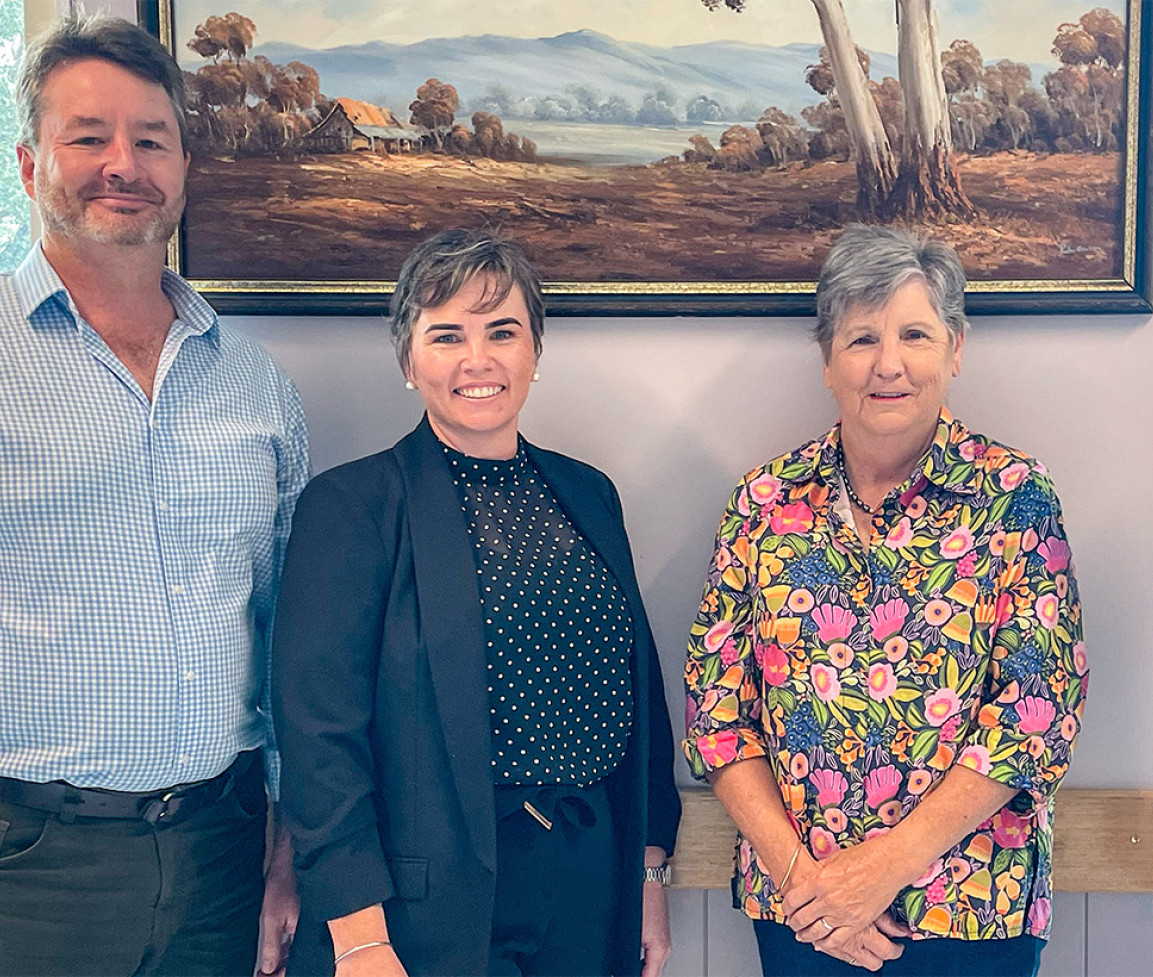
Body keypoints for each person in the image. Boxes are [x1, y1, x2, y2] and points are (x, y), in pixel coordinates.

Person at [272, 228, 681, 976]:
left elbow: (640, 695)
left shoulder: (589, 493)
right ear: (407, 357)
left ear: (535, 350)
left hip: (591, 876)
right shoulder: (352, 507)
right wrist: (359, 934)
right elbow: (319, 739)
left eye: (502, 331)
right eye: (446, 334)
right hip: (428, 901)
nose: (478, 359)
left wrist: (649, 873)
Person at [684, 224, 1087, 976]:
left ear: (956, 349)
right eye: (863, 337)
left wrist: (880, 872)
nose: (889, 364)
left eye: (915, 334)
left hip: (972, 911)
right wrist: (812, 885)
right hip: (804, 915)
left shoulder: (1013, 496)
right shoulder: (763, 502)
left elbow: (1038, 713)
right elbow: (716, 714)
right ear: (828, 359)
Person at [0, 15, 307, 977]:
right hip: (31, 863)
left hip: (224, 850)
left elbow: (285, 627)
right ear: (28, 164)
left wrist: (288, 838)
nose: (121, 164)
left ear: (182, 169)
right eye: (87, 137)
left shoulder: (255, 385)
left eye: (150, 139)